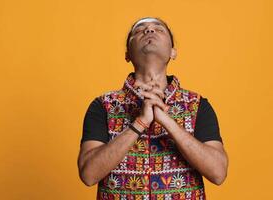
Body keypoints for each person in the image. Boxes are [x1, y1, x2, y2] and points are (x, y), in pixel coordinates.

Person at [77, 17, 228, 200]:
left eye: (159, 29)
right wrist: (140, 123)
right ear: (127, 55)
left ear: (173, 52)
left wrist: (167, 122)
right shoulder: (103, 106)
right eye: (140, 30)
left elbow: (218, 173)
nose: (149, 31)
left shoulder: (197, 105)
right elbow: (88, 174)